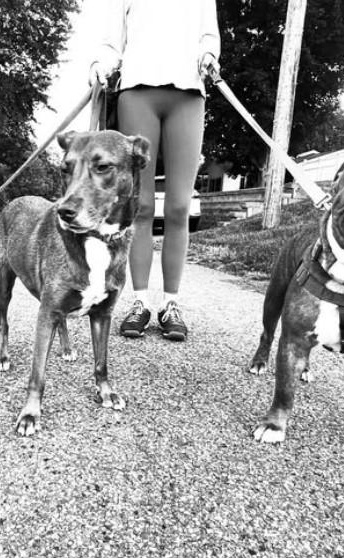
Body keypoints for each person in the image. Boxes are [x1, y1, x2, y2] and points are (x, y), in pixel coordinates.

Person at [90, 0, 220, 342]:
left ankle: (171, 305)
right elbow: (111, 41)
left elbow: (209, 34)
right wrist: (101, 64)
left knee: (179, 206)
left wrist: (209, 55)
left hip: (188, 94)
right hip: (137, 92)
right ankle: (140, 302)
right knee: (142, 206)